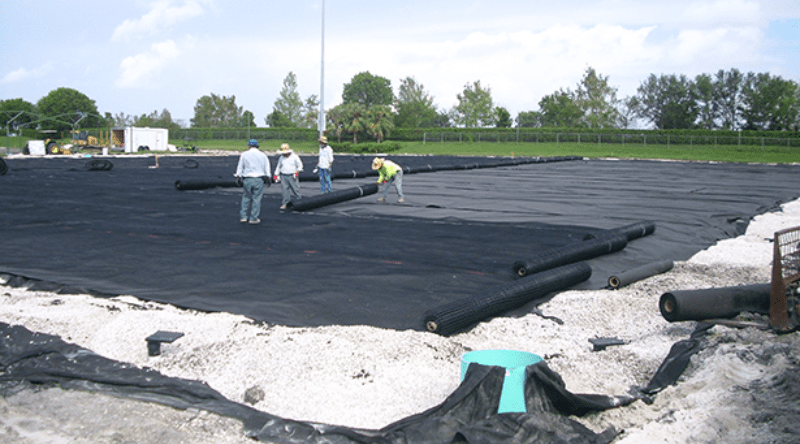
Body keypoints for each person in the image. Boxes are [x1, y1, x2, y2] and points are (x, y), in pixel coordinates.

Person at [234, 139, 271, 224]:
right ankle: (253, 218)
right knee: (256, 199)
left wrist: (238, 176)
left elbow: (240, 167)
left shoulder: (244, 155)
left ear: (249, 146)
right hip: (259, 179)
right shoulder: (263, 155)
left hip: (247, 178)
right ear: (257, 146)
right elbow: (267, 167)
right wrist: (269, 177)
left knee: (246, 197)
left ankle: (243, 217)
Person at [274, 143, 303, 210]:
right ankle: (285, 203)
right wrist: (276, 175)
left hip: (292, 176)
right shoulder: (281, 157)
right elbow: (278, 166)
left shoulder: (294, 157)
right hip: (283, 175)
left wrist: (297, 173)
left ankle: (300, 201)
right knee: (285, 190)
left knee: (296, 189)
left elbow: (300, 165)